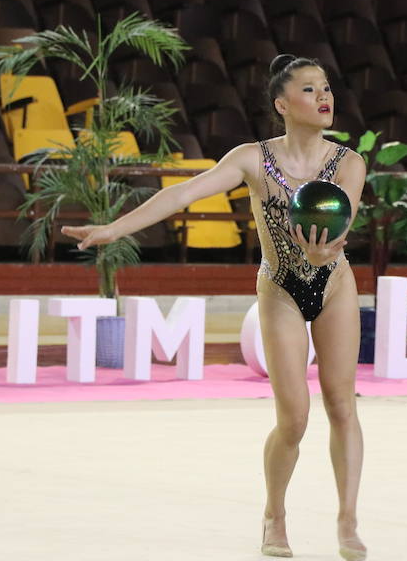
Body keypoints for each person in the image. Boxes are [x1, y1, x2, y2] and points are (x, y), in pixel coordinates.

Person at [62, 54, 368, 560]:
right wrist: (113, 229)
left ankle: (348, 521)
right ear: (282, 104)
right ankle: (275, 514)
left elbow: (342, 221)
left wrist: (325, 251)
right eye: (310, 90)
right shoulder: (252, 158)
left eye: (326, 88)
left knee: (343, 405)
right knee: (294, 419)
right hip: (281, 288)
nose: (324, 97)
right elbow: (184, 192)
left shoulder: (349, 162)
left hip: (334, 283)